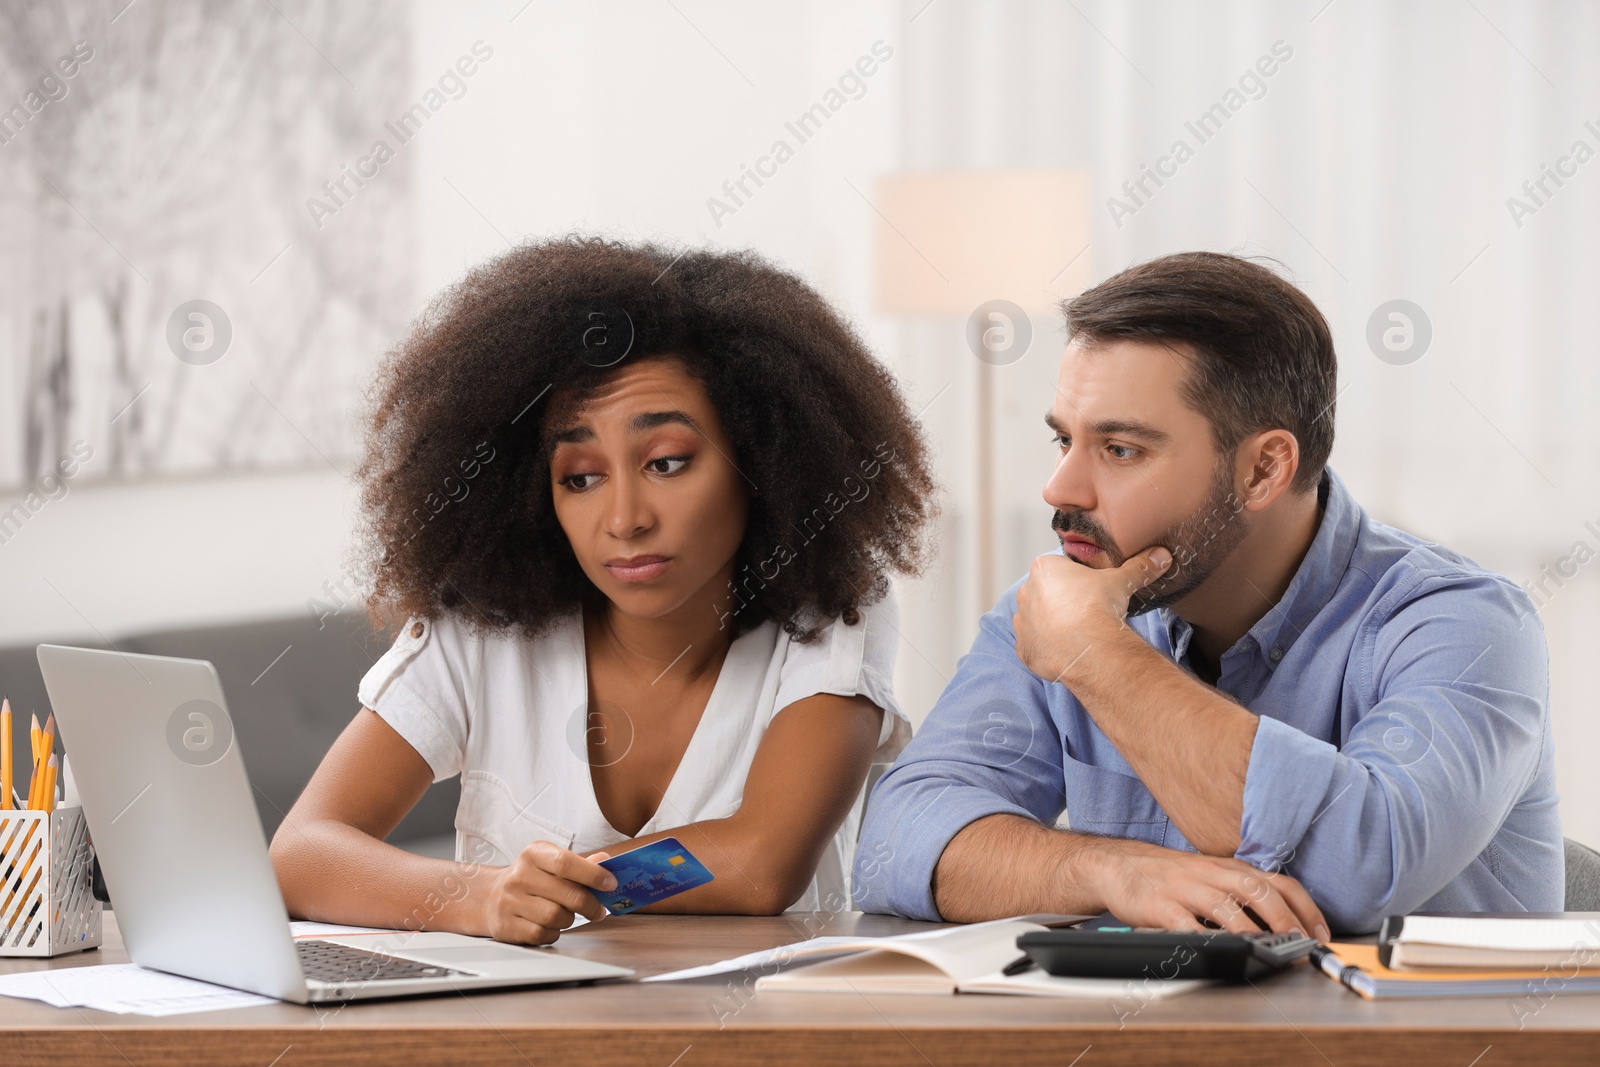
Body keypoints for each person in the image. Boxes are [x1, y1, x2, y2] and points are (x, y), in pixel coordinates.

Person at [854, 252, 1563, 936]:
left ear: (1262, 469)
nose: (1060, 489)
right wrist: (1110, 870)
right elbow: (896, 841)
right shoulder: (1062, 606)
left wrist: (1096, 658)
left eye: (1120, 449)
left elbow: (1362, 868)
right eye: (1063, 441)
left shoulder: (1466, 623)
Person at [270, 237, 934, 945]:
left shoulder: (832, 613)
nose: (624, 519)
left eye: (667, 462)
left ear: (763, 459)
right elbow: (302, 850)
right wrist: (477, 896)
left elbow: (760, 860)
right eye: (579, 477)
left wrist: (551, 888)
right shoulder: (484, 628)